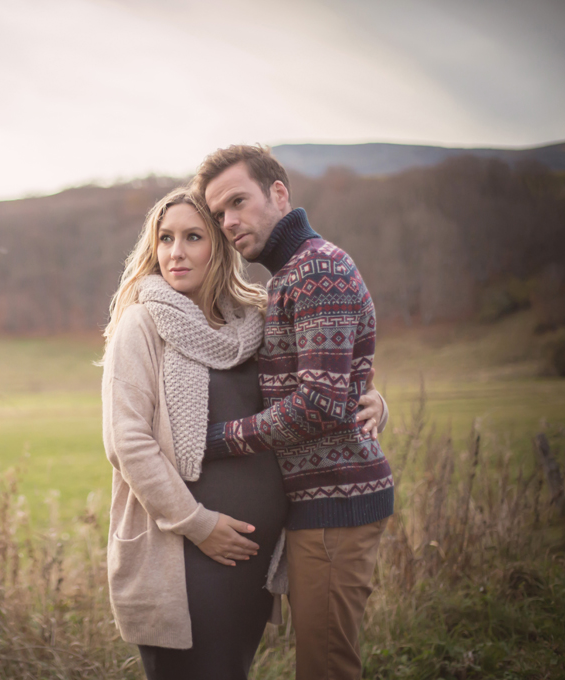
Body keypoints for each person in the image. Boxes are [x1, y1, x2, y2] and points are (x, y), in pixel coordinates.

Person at [100, 186, 387, 680]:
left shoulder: (256, 319)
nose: (175, 252)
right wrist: (198, 524)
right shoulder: (141, 325)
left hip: (252, 557)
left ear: (219, 244)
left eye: (192, 237)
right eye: (164, 238)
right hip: (183, 550)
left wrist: (373, 401)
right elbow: (127, 442)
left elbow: (317, 385)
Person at [194, 145, 394, 680]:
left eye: (238, 201)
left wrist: (213, 439)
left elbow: (319, 406)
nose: (229, 222)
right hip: (319, 501)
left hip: (335, 502)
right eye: (217, 215)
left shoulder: (315, 269)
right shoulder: (289, 275)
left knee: (326, 666)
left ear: (279, 193)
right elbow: (341, 385)